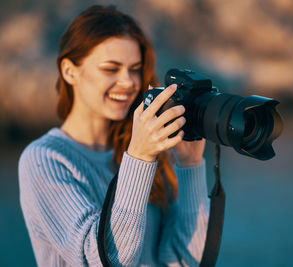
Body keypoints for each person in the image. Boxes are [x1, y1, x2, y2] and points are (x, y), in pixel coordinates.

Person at [18, 5, 209, 267]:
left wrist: (190, 166)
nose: (129, 82)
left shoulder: (143, 150)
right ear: (69, 71)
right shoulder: (44, 160)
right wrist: (140, 158)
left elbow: (183, 259)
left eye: (135, 69)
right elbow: (103, 260)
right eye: (111, 69)